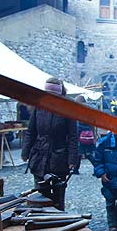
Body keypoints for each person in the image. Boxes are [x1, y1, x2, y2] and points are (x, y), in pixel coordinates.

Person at [21, 77, 78, 210]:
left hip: (59, 158)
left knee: (58, 196)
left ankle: (58, 220)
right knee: (41, 195)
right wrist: (25, 151)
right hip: (39, 157)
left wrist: (72, 159)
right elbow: (31, 131)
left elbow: (73, 136)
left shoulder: (68, 108)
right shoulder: (39, 106)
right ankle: (42, 221)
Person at [74, 95, 96, 174]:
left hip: (82, 135)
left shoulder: (79, 110)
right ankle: (76, 169)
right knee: (87, 153)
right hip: (89, 135)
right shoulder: (89, 109)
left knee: (81, 153)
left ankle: (76, 170)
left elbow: (78, 124)